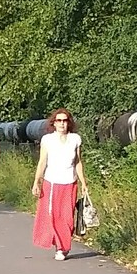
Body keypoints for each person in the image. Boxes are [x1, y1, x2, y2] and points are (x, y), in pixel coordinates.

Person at [32, 109, 91, 260]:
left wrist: (83, 182)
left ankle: (64, 246)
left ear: (68, 122)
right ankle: (59, 246)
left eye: (64, 120)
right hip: (51, 182)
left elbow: (77, 162)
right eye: (58, 121)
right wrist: (37, 182)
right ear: (54, 123)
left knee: (66, 217)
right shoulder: (48, 139)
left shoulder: (75, 139)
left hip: (70, 183)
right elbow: (42, 162)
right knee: (52, 215)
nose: (62, 124)